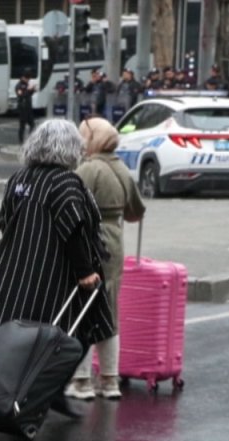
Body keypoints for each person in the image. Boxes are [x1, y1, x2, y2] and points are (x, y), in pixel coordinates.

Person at [0, 119, 114, 405]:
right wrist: (85, 272)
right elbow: (73, 229)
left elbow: (3, 220)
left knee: (7, 334)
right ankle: (41, 393)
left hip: (11, 271)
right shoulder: (65, 183)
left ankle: (2, 388)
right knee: (69, 334)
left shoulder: (19, 179)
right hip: (49, 275)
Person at [65, 118, 144, 401]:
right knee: (109, 310)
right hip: (116, 240)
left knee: (82, 310)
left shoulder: (87, 169)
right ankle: (110, 381)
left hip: (91, 239)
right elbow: (136, 212)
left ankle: (82, 380)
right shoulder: (122, 169)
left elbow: (70, 206)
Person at [15, 72, 37, 144]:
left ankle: (30, 140)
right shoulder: (19, 85)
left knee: (32, 124)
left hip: (28, 108)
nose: (28, 80)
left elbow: (29, 94)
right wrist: (28, 90)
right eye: (27, 78)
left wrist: (32, 90)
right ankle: (21, 141)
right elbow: (21, 95)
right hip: (22, 108)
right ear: (23, 77)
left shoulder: (27, 84)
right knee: (22, 125)